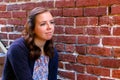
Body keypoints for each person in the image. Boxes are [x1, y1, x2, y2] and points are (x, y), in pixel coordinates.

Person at [2, 7, 58, 80]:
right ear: (32, 28)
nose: (49, 27)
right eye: (43, 24)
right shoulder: (18, 49)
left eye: (51, 22)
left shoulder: (52, 52)